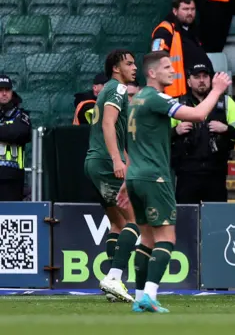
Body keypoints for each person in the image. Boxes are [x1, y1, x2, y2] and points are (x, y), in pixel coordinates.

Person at [118, 51, 231, 313]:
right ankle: (150, 294)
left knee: (146, 239)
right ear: (152, 73)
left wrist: (128, 178)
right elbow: (199, 114)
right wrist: (217, 90)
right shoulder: (156, 98)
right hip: (155, 177)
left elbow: (133, 141)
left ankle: (139, 296)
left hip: (136, 176)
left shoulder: (136, 101)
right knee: (166, 237)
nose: (173, 71)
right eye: (168, 67)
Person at [84, 50, 139, 303]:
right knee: (135, 221)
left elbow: (113, 129)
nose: (134, 67)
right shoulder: (116, 88)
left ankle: (112, 289)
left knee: (117, 223)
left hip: (94, 161)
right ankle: (114, 277)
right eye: (129, 63)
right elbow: (108, 124)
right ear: (116, 68)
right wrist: (118, 160)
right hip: (106, 162)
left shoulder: (109, 89)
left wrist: (124, 156)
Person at [171, 63, 235, 203]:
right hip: (186, 174)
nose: (201, 80)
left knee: (216, 219)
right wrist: (175, 131)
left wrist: (226, 129)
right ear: (188, 81)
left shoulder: (226, 102)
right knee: (186, 220)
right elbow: (161, 135)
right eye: (197, 77)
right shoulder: (177, 104)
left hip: (216, 173)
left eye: (205, 76)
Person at [0, 74, 31, 201]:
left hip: (12, 178)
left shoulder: (21, 115)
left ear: (12, 92)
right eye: (0, 91)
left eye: (7, 90)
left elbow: (18, 133)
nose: (4, 94)